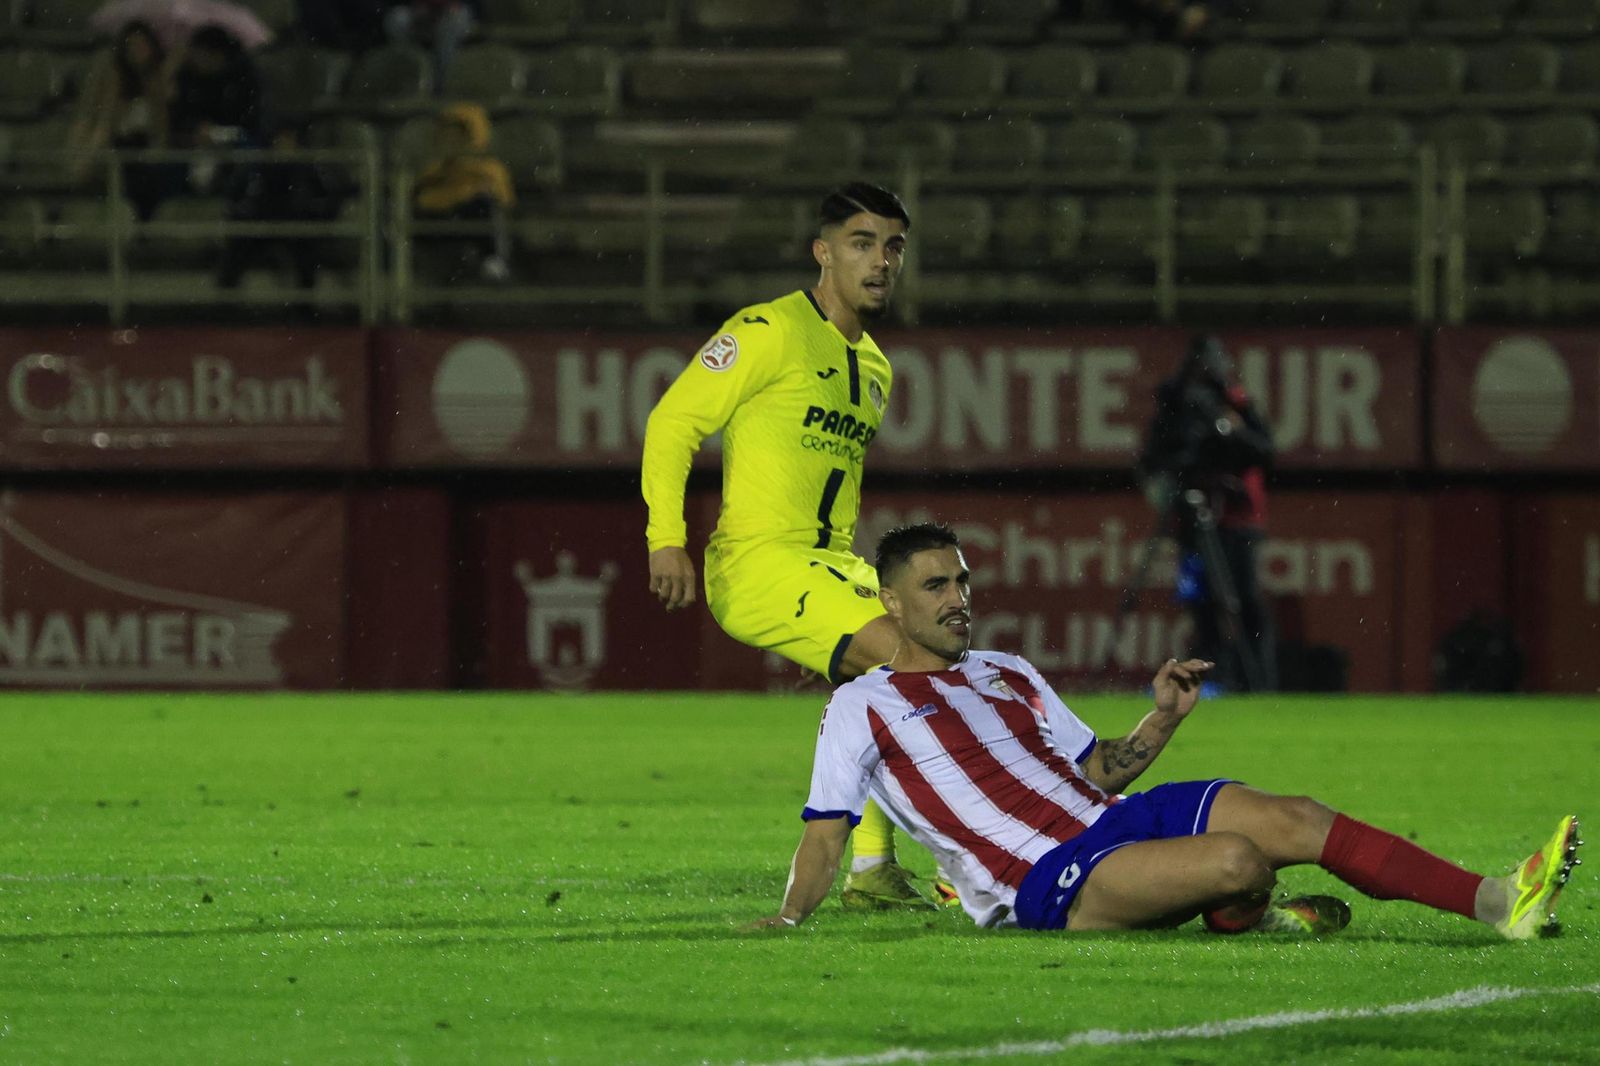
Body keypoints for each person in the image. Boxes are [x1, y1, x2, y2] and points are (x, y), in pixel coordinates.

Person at [750, 522, 1582, 938]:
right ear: (890, 603)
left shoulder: (1006, 671)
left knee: (1296, 816)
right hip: (1045, 879)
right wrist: (787, 921)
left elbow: (1100, 769)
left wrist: (1162, 719)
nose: (957, 599)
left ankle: (1500, 900)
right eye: (935, 587)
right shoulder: (861, 704)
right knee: (1238, 860)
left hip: (1112, 822)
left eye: (962, 582)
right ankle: (1247, 910)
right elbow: (826, 834)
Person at [642, 183, 935, 909]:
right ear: (823, 252)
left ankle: (870, 870)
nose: (881, 262)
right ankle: (978, 861)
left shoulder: (876, 368)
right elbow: (672, 422)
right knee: (911, 666)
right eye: (863, 244)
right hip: (758, 562)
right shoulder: (767, 330)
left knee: (934, 653)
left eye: (893, 246)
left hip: (830, 565)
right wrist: (664, 539)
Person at [1138, 334, 1276, 692]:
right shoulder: (1176, 405)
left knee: (1243, 602)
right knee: (1202, 604)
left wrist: (1226, 430)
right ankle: (1214, 678)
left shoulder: (1235, 405)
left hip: (1236, 520)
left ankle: (1257, 682)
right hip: (1192, 522)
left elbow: (1264, 451)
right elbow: (1154, 457)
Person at [216, 120, 346, 305]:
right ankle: (224, 307)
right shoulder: (258, 165)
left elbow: (328, 196)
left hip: (297, 226)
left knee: (307, 255)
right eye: (281, 139)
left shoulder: (307, 167)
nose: (285, 144)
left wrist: (315, 214)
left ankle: (305, 309)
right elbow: (233, 194)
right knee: (235, 251)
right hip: (260, 224)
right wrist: (243, 214)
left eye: (290, 139)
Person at [66, 20, 175, 217]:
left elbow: (160, 129)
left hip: (145, 152)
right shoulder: (115, 79)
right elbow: (104, 124)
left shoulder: (157, 82)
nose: (138, 51)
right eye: (132, 46)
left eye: (142, 45)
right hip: (119, 148)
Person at [411, 103, 514, 283]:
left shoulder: (490, 169)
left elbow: (504, 201)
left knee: (485, 205)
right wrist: (463, 193)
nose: (450, 141)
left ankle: (492, 259)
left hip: (470, 226)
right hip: (436, 226)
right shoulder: (434, 171)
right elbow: (422, 201)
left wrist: (460, 195)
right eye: (446, 135)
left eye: (458, 135)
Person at [384, 0, 477, 93]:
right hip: (419, 11)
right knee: (397, 18)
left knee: (451, 23)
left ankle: (441, 85)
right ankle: (409, 79)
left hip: (456, 12)